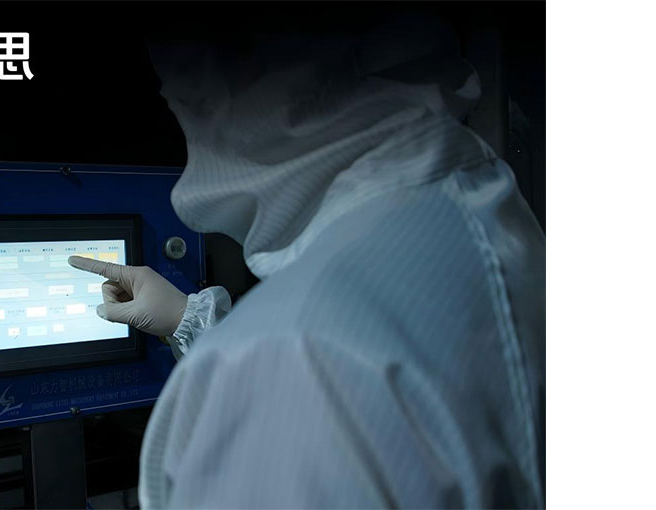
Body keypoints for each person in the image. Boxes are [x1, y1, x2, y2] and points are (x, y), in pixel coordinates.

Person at [69, 16, 544, 509]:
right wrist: (187, 321)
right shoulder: (478, 201)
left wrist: (245, 350)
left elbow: (308, 369)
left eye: (185, 68)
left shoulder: (291, 354)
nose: (171, 92)